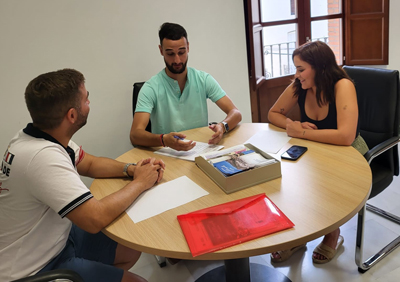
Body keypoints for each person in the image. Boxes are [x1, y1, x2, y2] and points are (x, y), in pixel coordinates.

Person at [0, 69, 166, 282]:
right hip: (36, 267)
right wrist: (141, 182)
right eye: (86, 98)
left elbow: (89, 163)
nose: (89, 101)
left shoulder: (40, 136)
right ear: (72, 115)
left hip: (56, 238)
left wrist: (132, 169)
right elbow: (94, 218)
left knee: (130, 248)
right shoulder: (42, 158)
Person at [268, 41, 368, 264]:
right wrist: (292, 123)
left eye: (301, 69)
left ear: (320, 67)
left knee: (323, 181)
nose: (297, 75)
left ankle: (333, 232)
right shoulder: (300, 85)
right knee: (286, 176)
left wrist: (301, 132)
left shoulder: (342, 86)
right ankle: (299, 234)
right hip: (317, 148)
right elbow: (273, 113)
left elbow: (345, 137)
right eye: (296, 69)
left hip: (349, 152)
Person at [130, 22, 242, 151]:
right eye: (171, 54)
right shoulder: (151, 88)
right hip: (166, 154)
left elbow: (236, 113)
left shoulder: (203, 79)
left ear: (188, 47)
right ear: (161, 50)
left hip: (200, 150)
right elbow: (135, 135)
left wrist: (223, 126)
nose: (177, 60)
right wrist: (163, 139)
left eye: (181, 52)